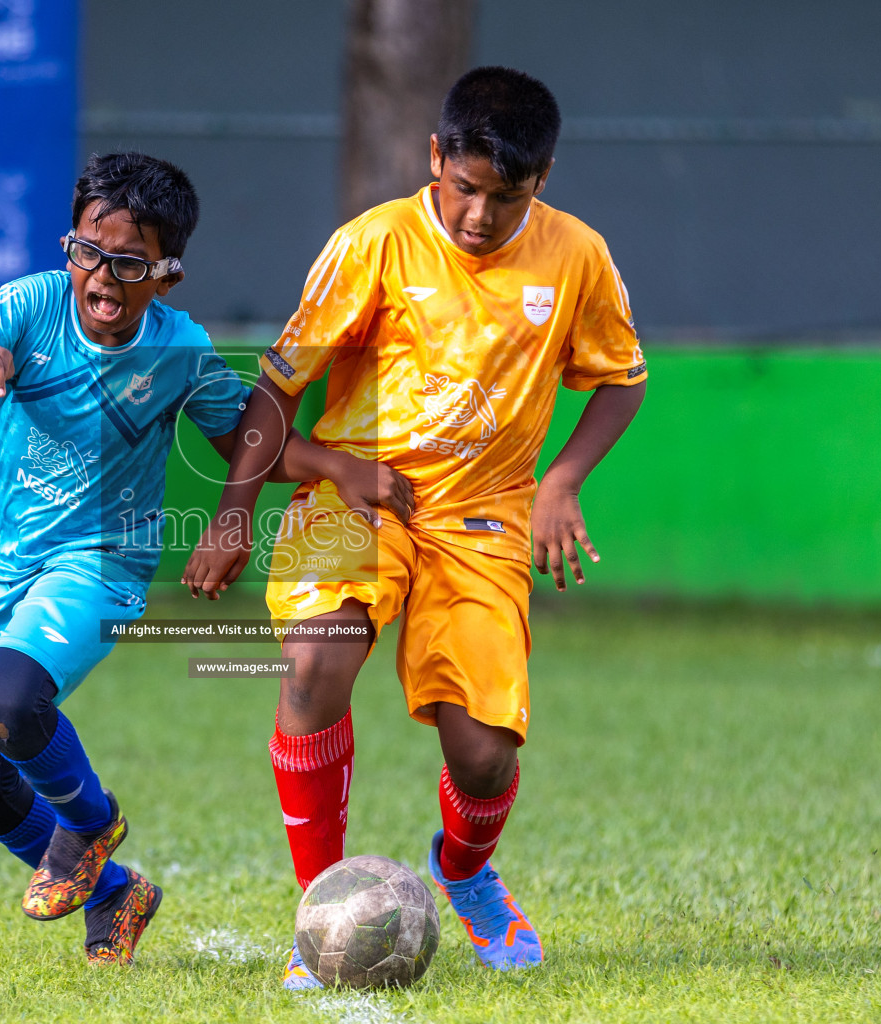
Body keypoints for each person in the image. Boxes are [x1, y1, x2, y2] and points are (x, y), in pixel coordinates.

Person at [181, 66, 649, 985]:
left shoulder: (578, 256)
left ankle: (466, 872)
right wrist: (232, 515)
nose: (478, 213)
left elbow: (622, 376)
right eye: (464, 187)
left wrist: (563, 479)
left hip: (483, 517)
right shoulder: (374, 244)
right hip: (354, 493)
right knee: (315, 660)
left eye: (504, 196)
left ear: (542, 179)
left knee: (482, 756)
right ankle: (322, 910)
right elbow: (278, 385)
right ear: (435, 157)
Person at [0, 151, 356, 965]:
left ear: (166, 275)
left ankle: (91, 823)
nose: (102, 276)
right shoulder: (30, 305)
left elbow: (249, 434)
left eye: (129, 262)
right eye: (87, 252)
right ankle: (116, 890)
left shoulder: (178, 349)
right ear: (69, 246)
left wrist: (320, 470)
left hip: (100, 563)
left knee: (10, 697)